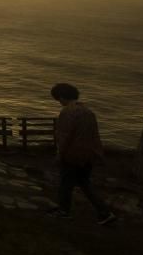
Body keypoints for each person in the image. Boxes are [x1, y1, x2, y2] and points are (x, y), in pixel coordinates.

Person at [48, 83, 116, 225]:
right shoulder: (88, 112)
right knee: (84, 183)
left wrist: (59, 155)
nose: (59, 102)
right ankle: (105, 213)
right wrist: (99, 154)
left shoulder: (67, 112)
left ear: (61, 97)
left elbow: (65, 137)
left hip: (72, 155)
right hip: (87, 156)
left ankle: (64, 211)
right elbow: (95, 136)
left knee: (65, 184)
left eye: (58, 99)